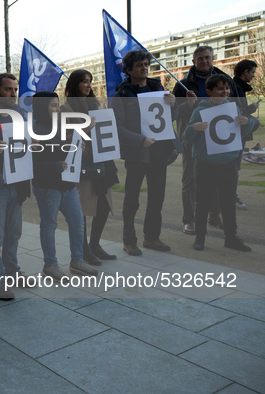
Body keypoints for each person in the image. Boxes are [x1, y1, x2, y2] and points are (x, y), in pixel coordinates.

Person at [110, 49, 179, 256]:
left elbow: (168, 120)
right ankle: (129, 240)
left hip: (159, 152)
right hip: (136, 153)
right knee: (132, 198)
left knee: (157, 197)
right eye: (139, 65)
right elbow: (118, 127)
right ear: (129, 70)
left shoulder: (157, 89)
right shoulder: (120, 94)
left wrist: (173, 106)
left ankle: (151, 237)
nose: (145, 68)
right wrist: (140, 141)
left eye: (146, 64)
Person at [182, 74, 255, 252]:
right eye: (220, 88)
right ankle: (200, 238)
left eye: (227, 88)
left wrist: (248, 122)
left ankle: (231, 237)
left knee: (228, 202)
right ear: (209, 91)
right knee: (203, 202)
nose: (225, 91)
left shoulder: (234, 109)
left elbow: (243, 132)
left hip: (228, 163)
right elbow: (186, 136)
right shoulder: (200, 111)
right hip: (205, 164)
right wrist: (194, 127)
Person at [31, 91, 99, 279]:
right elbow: (31, 163)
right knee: (49, 225)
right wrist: (55, 165)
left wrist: (77, 149)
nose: (57, 109)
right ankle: (50, 265)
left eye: (58, 104)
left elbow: (63, 151)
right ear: (42, 108)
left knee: (77, 222)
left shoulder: (59, 126)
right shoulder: (34, 130)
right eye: (53, 105)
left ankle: (77, 261)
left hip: (67, 184)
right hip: (47, 186)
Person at [173, 46, 237, 234]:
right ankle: (189, 219)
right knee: (190, 180)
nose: (204, 61)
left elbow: (232, 105)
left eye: (207, 58)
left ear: (212, 58)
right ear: (193, 61)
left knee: (217, 179)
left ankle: (214, 214)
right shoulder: (182, 84)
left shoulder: (224, 80)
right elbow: (174, 112)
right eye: (200, 58)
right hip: (193, 140)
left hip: (219, 139)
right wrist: (188, 105)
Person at [62, 69, 119, 264]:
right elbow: (66, 139)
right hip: (83, 164)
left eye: (90, 81)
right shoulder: (66, 109)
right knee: (84, 210)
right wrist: (84, 130)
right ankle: (83, 249)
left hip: (103, 161)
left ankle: (95, 244)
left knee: (103, 206)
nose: (88, 85)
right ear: (74, 84)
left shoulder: (95, 105)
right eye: (84, 81)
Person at [0, 73, 32, 301]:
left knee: (14, 233)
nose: (13, 94)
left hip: (18, 182)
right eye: (8, 90)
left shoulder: (21, 114)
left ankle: (12, 272)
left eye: (15, 89)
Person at [232, 59, 260, 210]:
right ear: (246, 72)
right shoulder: (235, 87)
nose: (254, 76)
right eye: (253, 72)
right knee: (233, 167)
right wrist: (251, 109)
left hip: (237, 135)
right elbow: (237, 113)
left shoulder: (238, 87)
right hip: (236, 134)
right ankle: (231, 196)